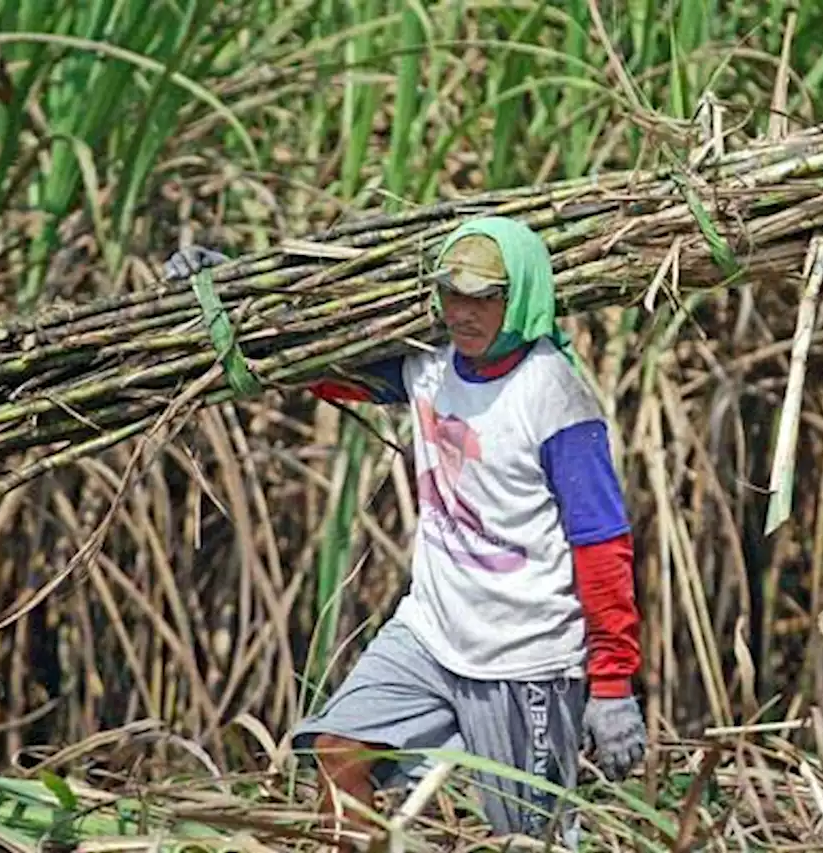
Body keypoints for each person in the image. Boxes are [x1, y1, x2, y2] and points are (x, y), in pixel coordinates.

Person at [163, 216, 646, 846]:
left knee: (532, 839)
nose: (463, 312)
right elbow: (313, 364)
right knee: (338, 750)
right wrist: (227, 291)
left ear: (523, 296)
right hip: (429, 634)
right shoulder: (429, 367)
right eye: (452, 293)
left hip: (524, 659)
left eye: (485, 297)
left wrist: (612, 683)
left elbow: (601, 544)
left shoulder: (554, 394)